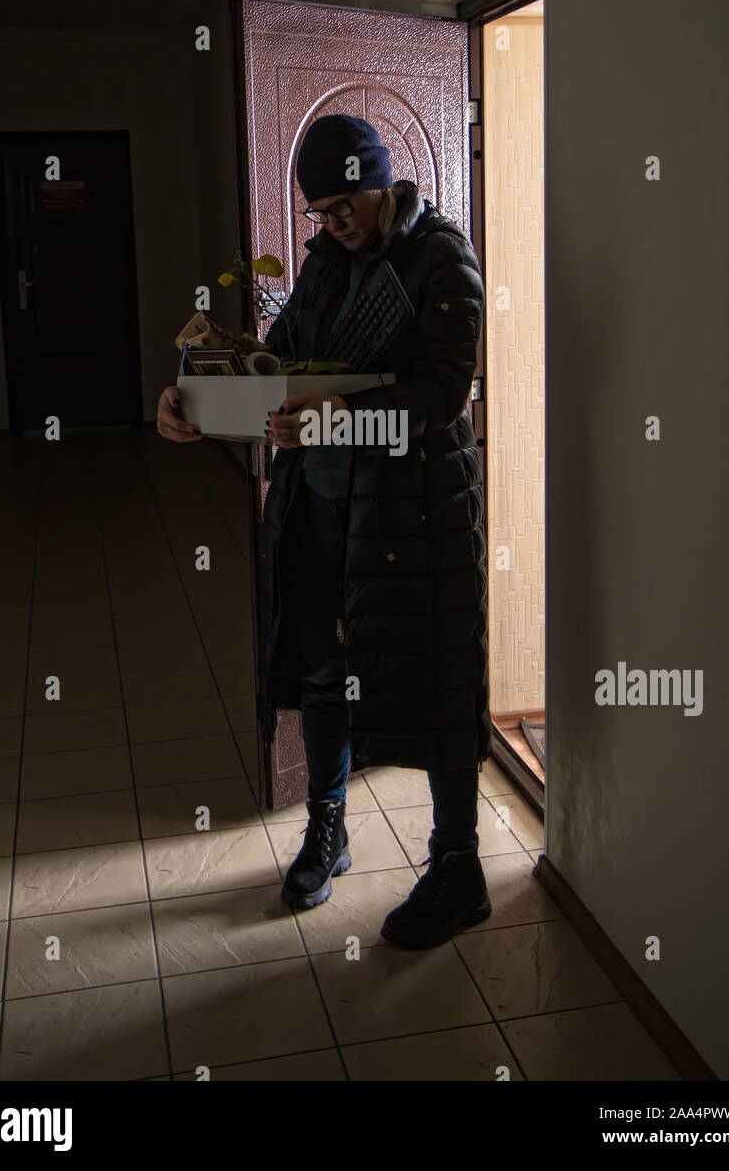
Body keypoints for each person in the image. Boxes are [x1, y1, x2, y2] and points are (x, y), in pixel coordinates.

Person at [158, 113, 491, 948]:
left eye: (348, 203)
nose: (336, 221)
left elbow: (446, 395)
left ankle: (459, 868)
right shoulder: (321, 266)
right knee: (321, 669)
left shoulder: (441, 257)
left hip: (413, 513)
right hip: (315, 503)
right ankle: (329, 830)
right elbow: (279, 363)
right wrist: (194, 402)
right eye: (321, 210)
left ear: (383, 179)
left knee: (439, 680)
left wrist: (345, 417)